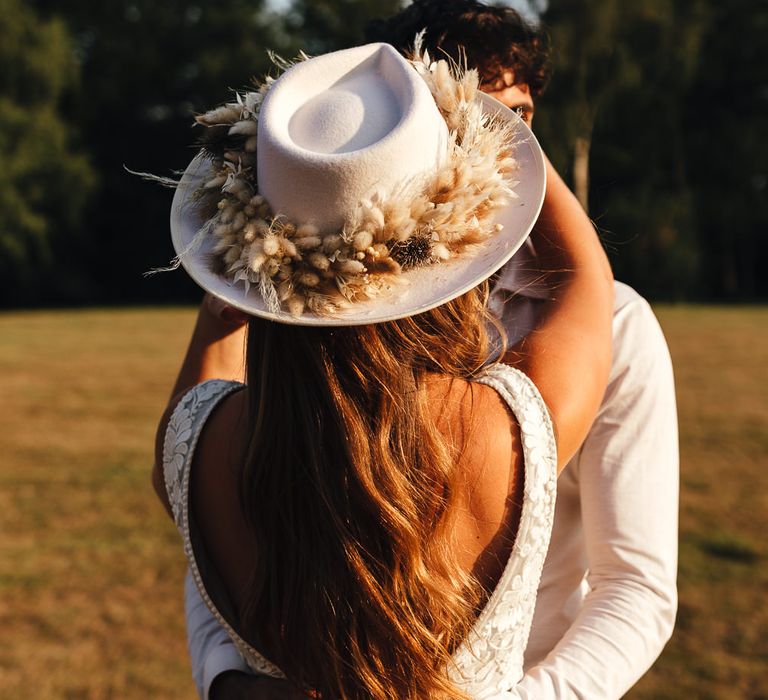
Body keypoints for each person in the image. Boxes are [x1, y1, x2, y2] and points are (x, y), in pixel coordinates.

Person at [184, 3, 679, 699]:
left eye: (516, 117)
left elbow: (636, 588)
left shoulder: (621, 325)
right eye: (468, 118)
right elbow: (224, 555)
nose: (500, 142)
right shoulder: (530, 397)